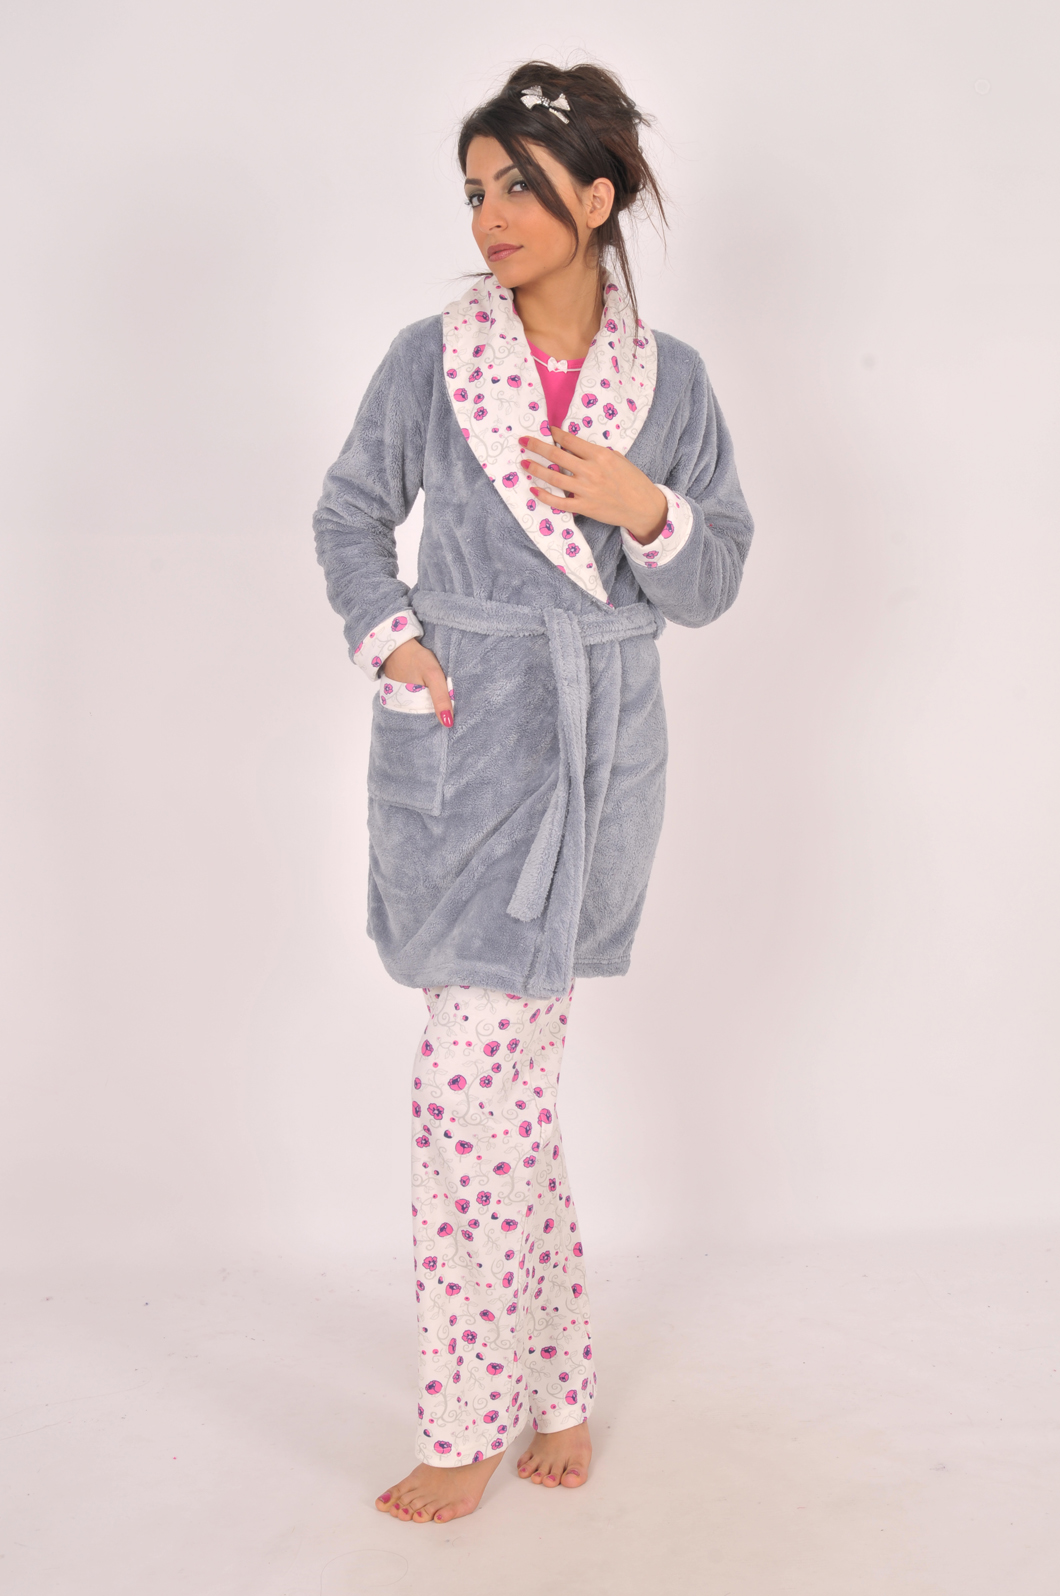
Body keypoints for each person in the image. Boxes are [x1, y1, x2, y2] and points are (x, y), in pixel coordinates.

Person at [312, 59, 754, 1526]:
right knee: (475, 1088)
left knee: (498, 1088)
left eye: (520, 184)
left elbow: (715, 577)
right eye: (475, 190)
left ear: (598, 196)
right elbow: (351, 511)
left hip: (596, 747)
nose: (489, 215)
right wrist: (395, 639)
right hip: (463, 738)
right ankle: (503, 1402)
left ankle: (520, 1402)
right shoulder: (428, 360)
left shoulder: (674, 383)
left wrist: (650, 508)